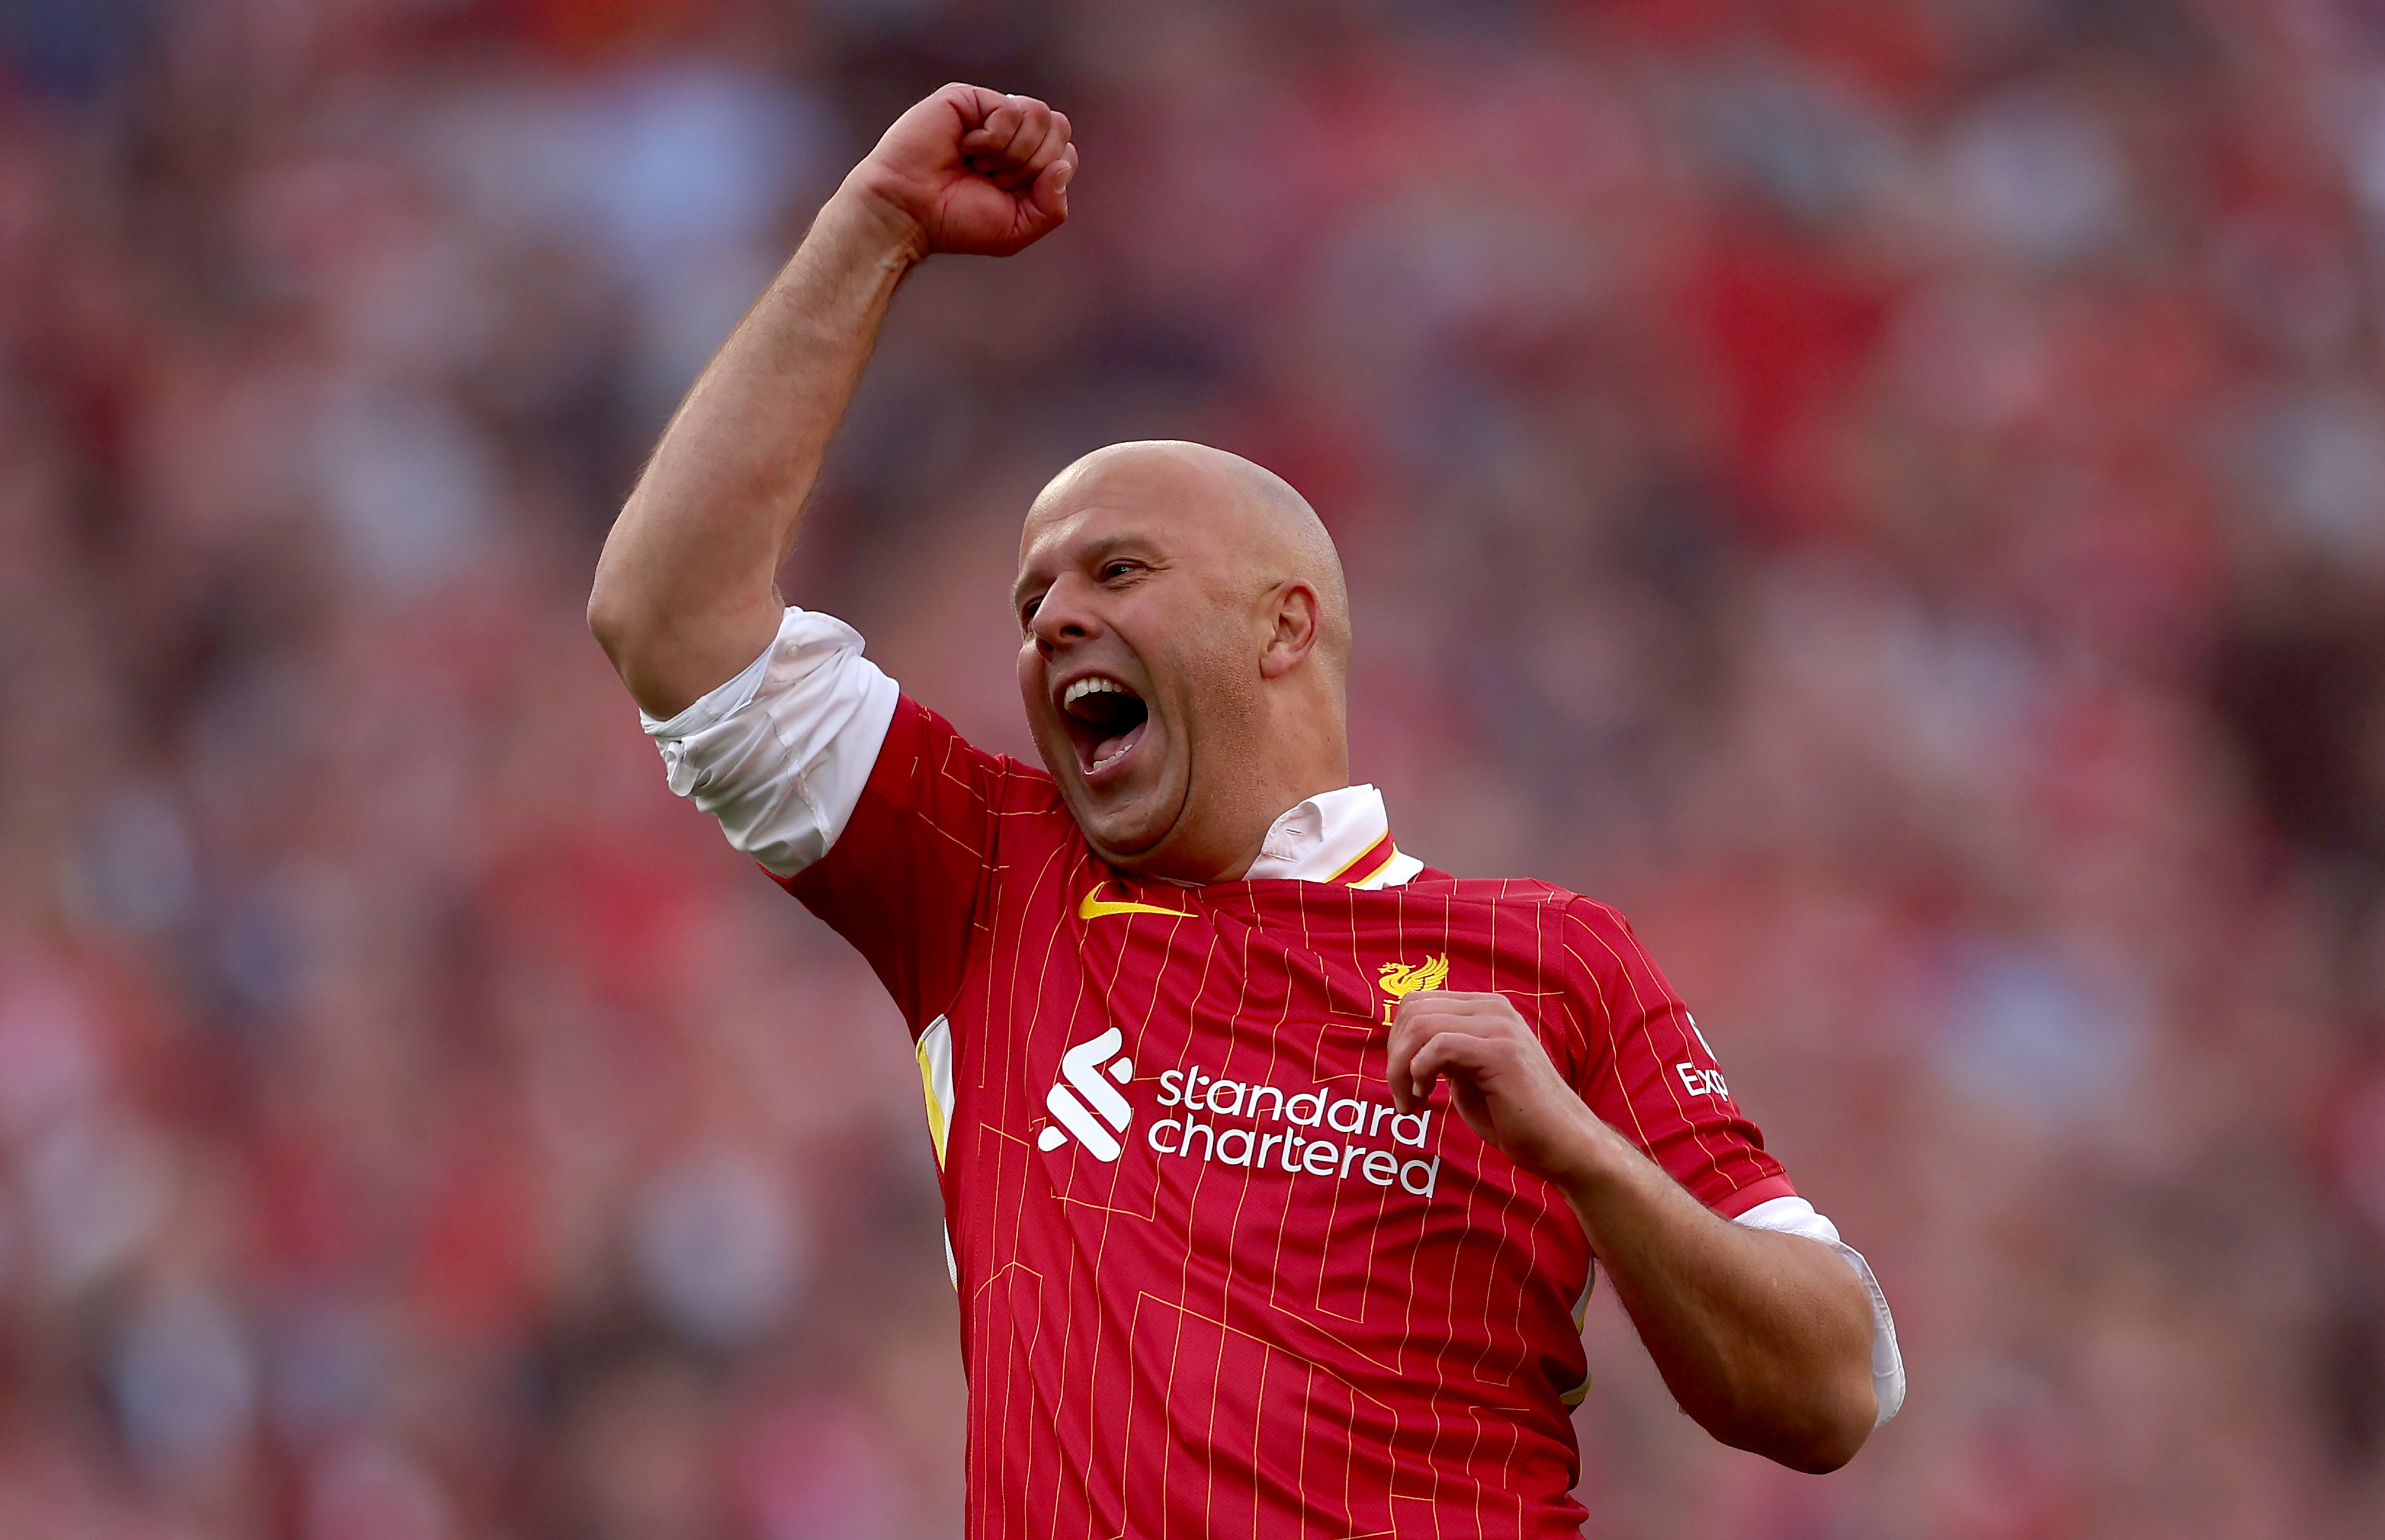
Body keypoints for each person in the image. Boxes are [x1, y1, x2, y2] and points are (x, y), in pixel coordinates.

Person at [588, 83, 1903, 1537]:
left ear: (1284, 628)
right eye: (1032, 598)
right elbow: (668, 615)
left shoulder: (1548, 962)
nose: (1051, 624)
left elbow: (1829, 1385)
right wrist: (873, 229)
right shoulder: (984, 883)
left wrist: (1578, 1151)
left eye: (1115, 572)